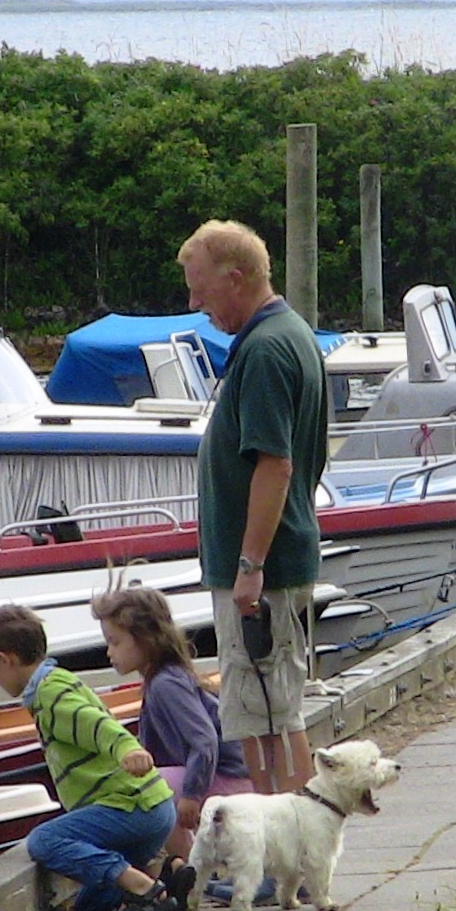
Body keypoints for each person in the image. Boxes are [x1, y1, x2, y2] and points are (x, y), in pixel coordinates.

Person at [177, 219, 329, 796]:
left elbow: (277, 464)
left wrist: (249, 566)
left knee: (264, 716)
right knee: (270, 709)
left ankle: (278, 851)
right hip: (271, 562)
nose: (196, 305)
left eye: (201, 291)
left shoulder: (266, 351)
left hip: (261, 575)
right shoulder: (290, 334)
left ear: (235, 279)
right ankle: (285, 849)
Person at [0, 602, 195, 911]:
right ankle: (167, 874)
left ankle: (143, 886)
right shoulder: (59, 681)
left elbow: (99, 727)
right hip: (154, 808)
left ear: (5, 660)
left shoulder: (52, 696)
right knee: (88, 905)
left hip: (133, 807)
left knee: (44, 840)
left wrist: (128, 750)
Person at [91, 585, 252, 862]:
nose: (109, 652)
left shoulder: (166, 684)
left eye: (115, 642)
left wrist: (191, 794)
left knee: (147, 791)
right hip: (225, 775)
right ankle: (187, 863)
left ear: (145, 639)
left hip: (228, 779)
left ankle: (195, 869)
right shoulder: (164, 678)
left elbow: (204, 740)